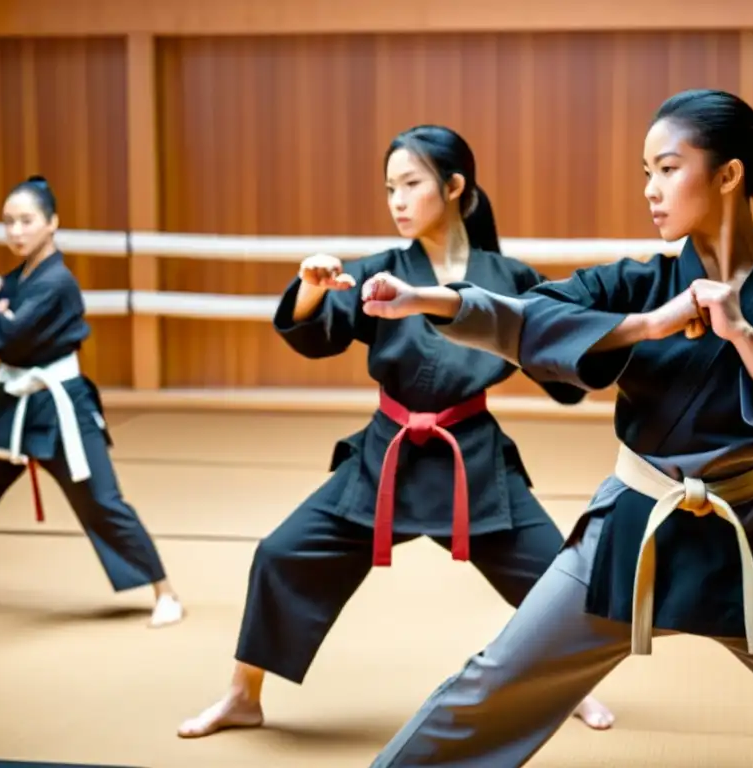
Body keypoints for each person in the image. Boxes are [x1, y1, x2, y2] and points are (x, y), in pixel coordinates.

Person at [359, 91, 753, 767]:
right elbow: (527, 318)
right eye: (645, 172)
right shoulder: (637, 285)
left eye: (666, 168)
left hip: (747, 536)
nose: (650, 190)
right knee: (487, 690)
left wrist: (744, 337)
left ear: (729, 174)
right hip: (630, 530)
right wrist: (431, 300)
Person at [176, 125, 615, 739]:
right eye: (390, 188)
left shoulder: (509, 276)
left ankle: (572, 688)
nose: (397, 201)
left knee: (555, 574)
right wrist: (309, 287)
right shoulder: (379, 271)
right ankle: (242, 695)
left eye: (411, 184)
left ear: (455, 186)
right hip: (386, 456)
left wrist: (574, 347)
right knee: (282, 554)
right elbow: (316, 331)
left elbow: (562, 371)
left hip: (471, 458)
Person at [0, 175, 183, 629]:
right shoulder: (20, 277)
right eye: (8, 222)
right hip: (14, 405)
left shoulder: (56, 282)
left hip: (60, 407)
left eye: (26, 221)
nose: (16, 231)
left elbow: (6, 339)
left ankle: (166, 592)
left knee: (101, 502)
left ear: (52, 224)